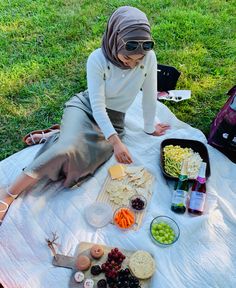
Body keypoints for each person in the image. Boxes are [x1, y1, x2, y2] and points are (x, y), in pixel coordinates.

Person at [0, 6, 170, 224]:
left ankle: (57, 134)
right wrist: (116, 142)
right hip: (87, 108)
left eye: (138, 60)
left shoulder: (148, 58)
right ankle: (10, 192)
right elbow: (98, 106)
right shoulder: (97, 59)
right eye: (128, 58)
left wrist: (149, 127)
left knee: (82, 164)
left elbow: (148, 94)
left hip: (114, 121)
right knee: (65, 150)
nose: (132, 64)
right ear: (114, 39)